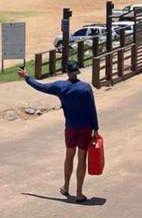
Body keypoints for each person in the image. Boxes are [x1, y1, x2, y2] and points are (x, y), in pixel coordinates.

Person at [18, 61, 98, 203]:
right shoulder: (85, 88)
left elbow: (41, 87)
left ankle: (66, 187)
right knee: (82, 159)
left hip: (71, 128)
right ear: (77, 72)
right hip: (85, 128)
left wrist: (27, 77)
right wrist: (95, 129)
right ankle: (79, 193)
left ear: (67, 72)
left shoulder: (60, 87)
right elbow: (91, 109)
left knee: (69, 156)